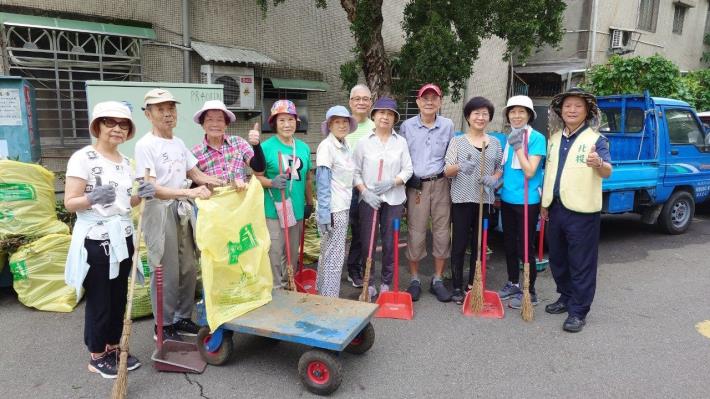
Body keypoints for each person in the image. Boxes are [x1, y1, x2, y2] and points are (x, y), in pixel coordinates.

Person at [64, 101, 155, 378]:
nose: (117, 129)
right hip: (97, 238)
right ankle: (97, 354)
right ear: (98, 126)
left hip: (123, 237)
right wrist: (90, 198)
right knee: (100, 298)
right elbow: (70, 202)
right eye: (110, 123)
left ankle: (114, 347)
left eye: (123, 124)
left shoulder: (127, 163)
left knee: (118, 297)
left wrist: (143, 195)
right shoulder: (83, 157)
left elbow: (127, 201)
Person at [134, 88, 223, 342]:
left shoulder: (179, 143)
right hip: (160, 211)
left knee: (187, 265)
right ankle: (163, 325)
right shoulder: (145, 145)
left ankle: (183, 316)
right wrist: (191, 194)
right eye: (160, 110)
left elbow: (196, 175)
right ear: (148, 114)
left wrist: (222, 181)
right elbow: (151, 189)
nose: (168, 114)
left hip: (182, 208)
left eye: (171, 109)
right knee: (165, 269)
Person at [541, 88, 612, 333]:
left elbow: (607, 170)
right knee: (558, 259)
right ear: (561, 111)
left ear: (587, 111)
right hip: (556, 208)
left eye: (577, 106)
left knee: (581, 263)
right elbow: (550, 172)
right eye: (567, 106)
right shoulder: (554, 138)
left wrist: (599, 163)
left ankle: (578, 310)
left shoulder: (596, 140)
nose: (571, 110)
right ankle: (565, 296)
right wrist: (544, 205)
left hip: (583, 212)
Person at [353, 96, 413, 301]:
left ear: (395, 118)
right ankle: (368, 283)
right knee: (367, 241)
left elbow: (408, 169)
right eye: (381, 113)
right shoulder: (363, 142)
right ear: (374, 116)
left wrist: (393, 182)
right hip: (369, 199)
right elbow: (355, 172)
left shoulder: (401, 142)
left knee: (390, 242)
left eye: (390, 114)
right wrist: (364, 192)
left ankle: (387, 282)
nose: (385, 117)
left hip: (394, 199)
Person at [444, 97, 503, 305]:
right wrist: (461, 167)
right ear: (468, 116)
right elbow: (447, 170)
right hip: (461, 199)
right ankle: (458, 286)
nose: (480, 117)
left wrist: (494, 179)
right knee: (459, 244)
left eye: (485, 114)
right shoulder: (457, 141)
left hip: (484, 201)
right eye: (476, 113)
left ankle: (473, 284)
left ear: (489, 118)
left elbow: (499, 169)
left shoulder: (494, 143)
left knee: (480, 244)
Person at [399, 83, 454, 302]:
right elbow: (401, 156)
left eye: (434, 98)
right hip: (417, 186)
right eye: (425, 98)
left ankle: (437, 279)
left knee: (441, 232)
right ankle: (414, 279)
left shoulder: (448, 125)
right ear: (418, 102)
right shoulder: (407, 126)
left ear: (440, 102)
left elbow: (452, 155)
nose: (429, 102)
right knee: (416, 232)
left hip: (441, 184)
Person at [254, 100, 314, 289]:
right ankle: (276, 291)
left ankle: (290, 286)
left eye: (291, 119)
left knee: (292, 254)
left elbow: (308, 178)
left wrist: (309, 202)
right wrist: (271, 182)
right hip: (273, 210)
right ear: (274, 123)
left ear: (297, 121)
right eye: (282, 120)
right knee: (275, 253)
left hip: (295, 209)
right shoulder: (265, 148)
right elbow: (256, 178)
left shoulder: (303, 147)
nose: (287, 124)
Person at [497, 95, 547, 309]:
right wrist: (494, 180)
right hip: (507, 199)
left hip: (528, 200)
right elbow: (505, 168)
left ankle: (530, 291)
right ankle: (513, 282)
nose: (516, 116)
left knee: (525, 247)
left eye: (521, 112)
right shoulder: (509, 137)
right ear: (508, 115)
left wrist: (519, 146)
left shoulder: (536, 138)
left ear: (529, 115)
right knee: (508, 244)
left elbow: (530, 171)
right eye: (512, 111)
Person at [315, 106, 357, 297]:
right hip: (333, 209)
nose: (342, 125)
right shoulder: (327, 146)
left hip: (342, 206)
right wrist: (324, 212)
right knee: (334, 256)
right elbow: (322, 181)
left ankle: (323, 294)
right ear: (330, 125)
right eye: (337, 122)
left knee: (329, 253)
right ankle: (330, 299)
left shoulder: (345, 146)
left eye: (345, 121)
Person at [190, 99, 265, 186]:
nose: (215, 124)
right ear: (202, 124)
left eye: (220, 120)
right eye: (209, 119)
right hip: (212, 199)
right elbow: (194, 185)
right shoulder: (195, 153)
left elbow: (259, 167)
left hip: (241, 199)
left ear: (226, 124)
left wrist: (256, 145)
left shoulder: (238, 142)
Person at [344, 84, 376, 288]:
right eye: (357, 99)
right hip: (342, 187)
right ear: (350, 102)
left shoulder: (376, 126)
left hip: (365, 187)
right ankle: (330, 269)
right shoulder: (341, 125)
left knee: (360, 231)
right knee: (337, 230)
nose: (361, 102)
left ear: (371, 102)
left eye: (365, 99)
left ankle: (354, 268)